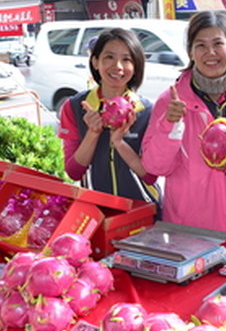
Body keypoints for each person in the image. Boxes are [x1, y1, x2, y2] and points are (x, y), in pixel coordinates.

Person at [142, 11, 226, 254]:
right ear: (191, 53)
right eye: (201, 45)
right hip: (189, 236)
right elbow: (155, 166)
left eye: (218, 44)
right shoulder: (170, 101)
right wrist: (169, 125)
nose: (210, 52)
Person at [57, 27, 160, 206]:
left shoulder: (146, 111)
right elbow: (74, 172)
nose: (118, 66)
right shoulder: (74, 107)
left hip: (143, 208)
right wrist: (92, 134)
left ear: (136, 67)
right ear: (95, 62)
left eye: (126, 59)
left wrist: (119, 143)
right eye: (109, 57)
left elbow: (150, 176)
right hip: (95, 209)